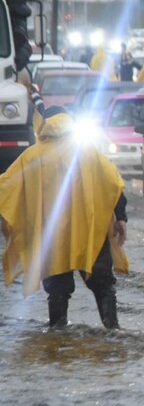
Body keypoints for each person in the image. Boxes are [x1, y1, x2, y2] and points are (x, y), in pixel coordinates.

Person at [0, 103, 129, 329]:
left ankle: (58, 339)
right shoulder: (88, 151)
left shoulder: (31, 157)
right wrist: (121, 217)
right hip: (90, 231)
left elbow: (7, 190)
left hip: (51, 236)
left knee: (58, 290)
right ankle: (113, 332)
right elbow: (113, 184)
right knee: (103, 284)